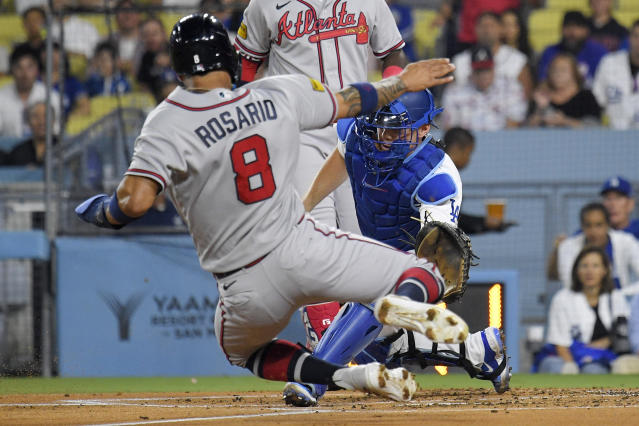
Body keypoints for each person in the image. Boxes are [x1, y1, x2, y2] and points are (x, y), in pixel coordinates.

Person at [75, 13, 470, 402]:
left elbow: (136, 201)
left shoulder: (168, 120)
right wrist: (403, 82)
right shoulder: (278, 93)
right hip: (304, 246)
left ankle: (345, 376)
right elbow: (353, 101)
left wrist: (103, 211)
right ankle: (400, 309)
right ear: (230, 59)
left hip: (244, 283)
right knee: (424, 270)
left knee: (245, 353)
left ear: (178, 71)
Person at [280, 90, 510, 407]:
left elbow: (437, 259)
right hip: (374, 249)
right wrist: (305, 206)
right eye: (379, 128)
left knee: (373, 297)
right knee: (380, 346)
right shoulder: (358, 134)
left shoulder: (436, 178)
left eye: (394, 130)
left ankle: (312, 379)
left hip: (414, 266)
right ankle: (477, 351)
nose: (383, 139)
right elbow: (343, 156)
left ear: (423, 130)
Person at [234, 0, 408, 352]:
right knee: (314, 241)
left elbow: (393, 56)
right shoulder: (265, 5)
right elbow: (246, 66)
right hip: (297, 134)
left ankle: (369, 345)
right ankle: (324, 342)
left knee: (364, 244)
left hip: (357, 133)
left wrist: (386, 92)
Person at [537, 247, 631, 374]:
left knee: (594, 369)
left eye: (595, 266)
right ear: (576, 271)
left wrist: (604, 343)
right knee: (558, 367)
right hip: (569, 358)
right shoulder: (562, 298)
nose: (589, 271)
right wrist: (572, 368)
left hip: (604, 360)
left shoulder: (616, 297)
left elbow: (623, 334)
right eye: (584, 266)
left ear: (604, 271)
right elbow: (560, 344)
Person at [443, 127, 515, 235]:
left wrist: (485, 223)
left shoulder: (438, 169)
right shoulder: (443, 175)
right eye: (469, 152)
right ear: (457, 148)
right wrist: (484, 222)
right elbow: (447, 219)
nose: (469, 159)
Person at [442, 45, 527, 131]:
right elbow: (450, 129)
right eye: (479, 71)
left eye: (487, 70)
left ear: (494, 70)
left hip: (502, 141)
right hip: (467, 142)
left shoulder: (511, 88)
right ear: (471, 71)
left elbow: (516, 123)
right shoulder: (455, 92)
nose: (483, 76)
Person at [556, 202, 639, 289]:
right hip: (580, 299)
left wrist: (626, 295)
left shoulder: (626, 241)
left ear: (608, 225)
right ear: (582, 226)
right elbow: (569, 283)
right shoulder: (568, 247)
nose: (593, 231)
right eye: (588, 225)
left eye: (599, 225)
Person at [451, 11, 533, 99]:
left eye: (491, 26)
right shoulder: (460, 61)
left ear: (501, 29)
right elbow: (451, 94)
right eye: (482, 26)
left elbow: (527, 96)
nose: (487, 30)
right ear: (475, 29)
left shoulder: (518, 60)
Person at [527, 53, 601, 128]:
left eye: (563, 70)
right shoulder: (541, 95)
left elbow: (594, 127)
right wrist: (540, 109)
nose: (558, 73)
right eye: (554, 69)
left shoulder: (586, 97)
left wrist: (565, 121)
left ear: (574, 72)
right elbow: (526, 128)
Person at [0, 46, 59, 138]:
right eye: (19, 67)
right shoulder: (1, 96)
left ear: (37, 70)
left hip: (43, 150)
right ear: (12, 70)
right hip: (8, 149)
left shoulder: (51, 96)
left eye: (29, 67)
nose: (25, 74)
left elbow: (56, 133)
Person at [537, 11, 607, 87]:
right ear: (561, 30)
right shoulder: (550, 52)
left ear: (586, 31)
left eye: (577, 27)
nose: (572, 32)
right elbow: (543, 83)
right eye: (568, 26)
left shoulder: (598, 52)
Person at [592, 20, 639, 130]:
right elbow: (598, 98)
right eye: (636, 36)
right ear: (629, 38)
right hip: (613, 134)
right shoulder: (609, 62)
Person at [136, 17, 179, 104]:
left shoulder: (176, 50)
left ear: (164, 33)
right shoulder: (145, 58)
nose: (151, 38)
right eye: (146, 35)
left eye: (154, 34)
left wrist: (171, 61)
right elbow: (142, 84)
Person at [4, 101, 56, 167]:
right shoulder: (17, 153)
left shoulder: (64, 151)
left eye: (46, 116)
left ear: (54, 120)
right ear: (28, 122)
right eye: (35, 117)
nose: (41, 122)